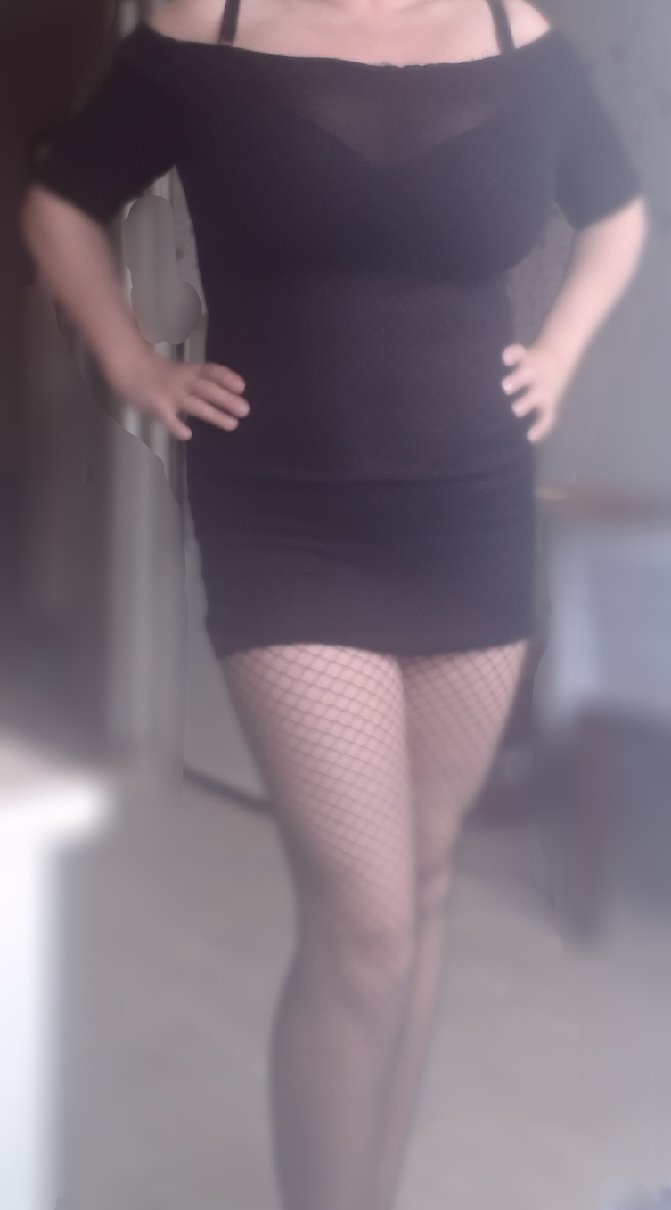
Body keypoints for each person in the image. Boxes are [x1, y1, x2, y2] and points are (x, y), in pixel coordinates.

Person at [20, 0, 647, 1206]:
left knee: (422, 884)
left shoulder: (513, 34)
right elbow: (60, 203)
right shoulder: (212, 24)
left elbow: (615, 215)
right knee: (363, 921)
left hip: (469, 513)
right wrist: (134, 364)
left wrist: (558, 354)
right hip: (286, 518)